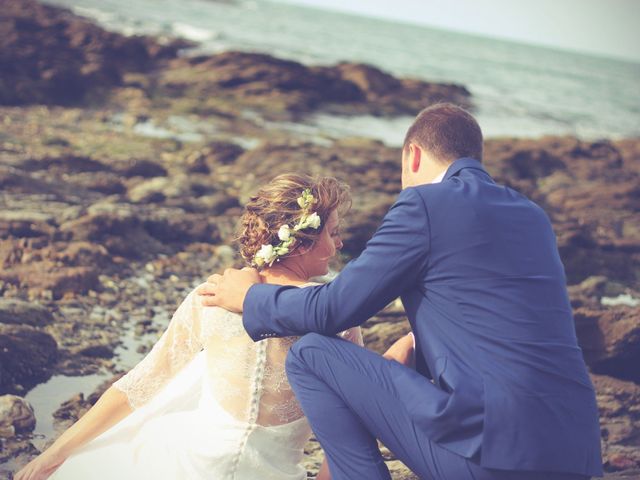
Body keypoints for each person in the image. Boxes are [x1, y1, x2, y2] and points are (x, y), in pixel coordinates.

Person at [199, 103, 604, 480]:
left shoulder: (425, 203)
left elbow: (334, 309)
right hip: (576, 454)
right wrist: (418, 344)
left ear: (412, 155)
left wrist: (249, 298)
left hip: (493, 458)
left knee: (312, 354)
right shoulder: (532, 216)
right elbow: (503, 310)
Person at [15, 174, 412, 480]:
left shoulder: (212, 298)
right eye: (334, 233)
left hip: (187, 467)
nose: (339, 245)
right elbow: (343, 436)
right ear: (302, 243)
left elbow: (138, 386)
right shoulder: (336, 321)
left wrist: (55, 453)